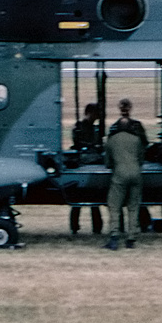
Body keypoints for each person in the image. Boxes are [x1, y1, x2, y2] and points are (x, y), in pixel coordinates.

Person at [104, 98, 148, 250]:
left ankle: (114, 236)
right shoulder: (137, 138)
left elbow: (108, 162)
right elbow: (142, 157)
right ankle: (131, 238)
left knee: (114, 206)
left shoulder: (112, 138)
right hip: (136, 173)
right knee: (133, 207)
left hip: (119, 174)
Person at [69, 102, 104, 234]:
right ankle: (76, 226)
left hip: (91, 164)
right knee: (81, 200)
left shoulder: (93, 129)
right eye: (96, 113)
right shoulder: (80, 128)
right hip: (85, 163)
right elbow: (80, 144)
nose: (97, 116)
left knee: (92, 201)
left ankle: (95, 226)